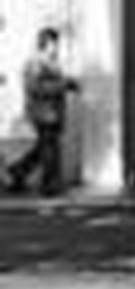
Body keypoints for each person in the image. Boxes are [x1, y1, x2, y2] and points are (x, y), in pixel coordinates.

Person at [6, 27, 80, 196]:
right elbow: (35, 88)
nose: (56, 48)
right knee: (49, 149)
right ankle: (49, 184)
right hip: (43, 113)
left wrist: (67, 83)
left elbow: (51, 84)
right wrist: (63, 85)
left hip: (52, 113)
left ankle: (17, 172)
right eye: (54, 44)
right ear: (45, 44)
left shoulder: (50, 63)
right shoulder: (35, 63)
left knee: (44, 148)